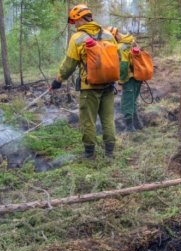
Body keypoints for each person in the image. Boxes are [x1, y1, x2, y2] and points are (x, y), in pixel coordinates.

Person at [50, 4, 117, 159]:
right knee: (108, 120)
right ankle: (110, 153)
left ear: (80, 19)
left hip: (89, 87)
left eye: (75, 22)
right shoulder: (108, 34)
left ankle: (89, 155)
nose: (75, 26)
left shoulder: (77, 38)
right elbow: (116, 59)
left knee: (88, 122)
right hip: (109, 85)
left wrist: (58, 80)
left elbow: (69, 65)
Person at [107, 26, 143, 132]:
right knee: (133, 101)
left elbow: (123, 65)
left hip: (129, 78)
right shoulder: (131, 40)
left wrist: (120, 81)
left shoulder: (121, 47)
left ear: (114, 36)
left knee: (127, 102)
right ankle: (139, 125)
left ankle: (130, 129)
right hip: (138, 77)